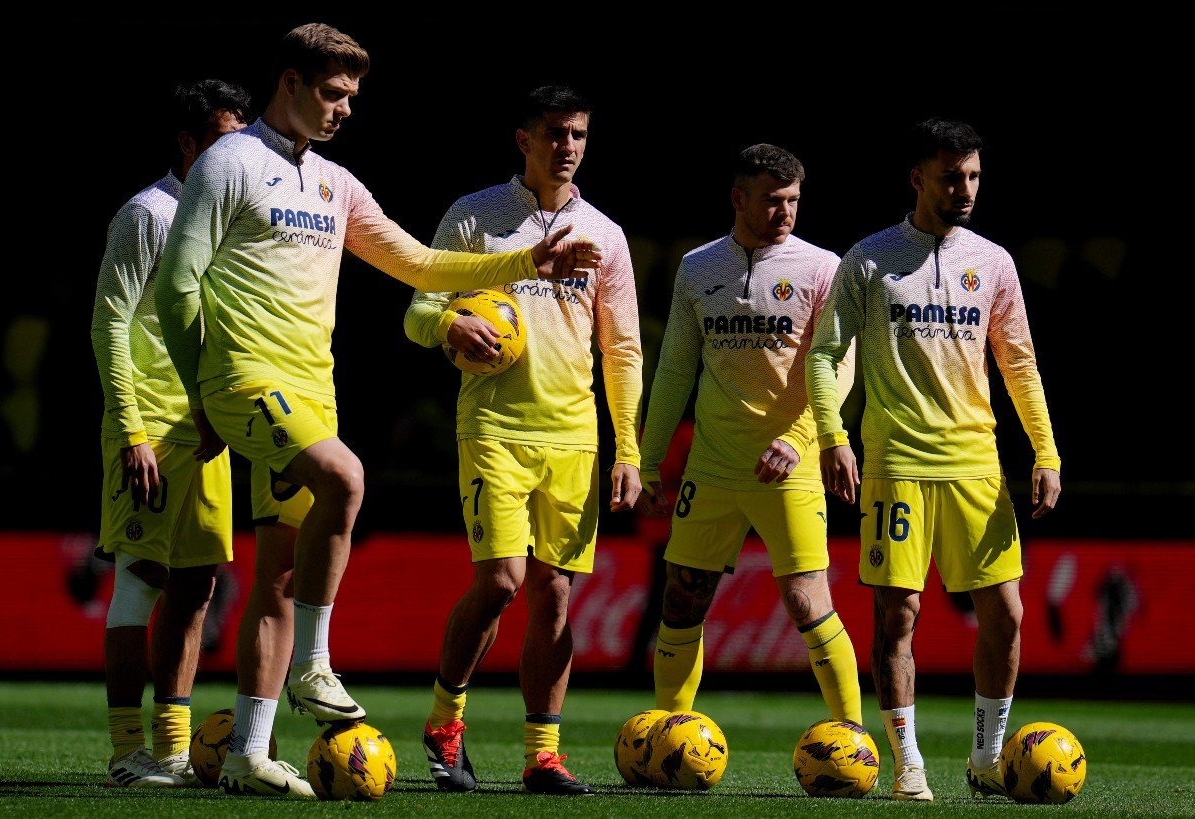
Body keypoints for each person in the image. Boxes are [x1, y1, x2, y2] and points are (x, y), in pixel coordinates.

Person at [154, 25, 601, 800]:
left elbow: (418, 263)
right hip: (244, 375)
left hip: (311, 388)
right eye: (333, 93)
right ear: (289, 81)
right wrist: (202, 396)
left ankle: (249, 753)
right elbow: (176, 287)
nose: (345, 109)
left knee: (279, 573)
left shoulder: (334, 182)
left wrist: (527, 260)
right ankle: (315, 665)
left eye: (353, 97)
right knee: (347, 477)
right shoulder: (230, 162)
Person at [805, 117, 1061, 802]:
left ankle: (984, 757)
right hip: (898, 465)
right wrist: (833, 436)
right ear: (918, 177)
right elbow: (826, 355)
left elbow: (1021, 363)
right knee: (898, 616)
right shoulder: (868, 259)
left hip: (977, 464)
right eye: (952, 176)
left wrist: (1046, 449)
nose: (966, 189)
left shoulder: (995, 262)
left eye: (974, 176)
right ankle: (907, 762)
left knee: (1005, 614)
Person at [403, 85, 643, 796]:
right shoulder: (477, 217)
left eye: (578, 134)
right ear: (524, 139)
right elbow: (418, 310)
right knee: (502, 580)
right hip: (495, 429)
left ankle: (543, 754)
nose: (567, 145)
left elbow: (622, 350)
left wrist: (626, 447)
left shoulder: (605, 235)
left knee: (556, 597)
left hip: (573, 434)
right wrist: (449, 326)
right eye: (555, 132)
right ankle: (445, 721)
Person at [638, 144, 864, 742]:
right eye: (772, 200)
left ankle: (852, 736)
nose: (785, 211)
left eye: (793, 200)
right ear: (738, 198)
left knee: (806, 602)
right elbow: (675, 370)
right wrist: (649, 456)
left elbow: (839, 365)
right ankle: (669, 734)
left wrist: (799, 437)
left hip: (788, 466)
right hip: (712, 468)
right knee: (681, 600)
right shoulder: (697, 266)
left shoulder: (822, 268)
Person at [91, 78, 251, 788]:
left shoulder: (227, 221)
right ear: (188, 143)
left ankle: (175, 751)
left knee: (196, 588)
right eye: (223, 139)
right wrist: (130, 430)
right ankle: (128, 754)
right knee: (141, 581)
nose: (235, 155)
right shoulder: (147, 214)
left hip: (207, 426)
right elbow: (109, 326)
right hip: (150, 427)